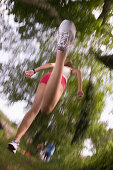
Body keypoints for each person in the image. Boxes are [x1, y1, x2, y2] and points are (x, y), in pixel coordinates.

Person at [8, 19, 84, 154]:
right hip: (58, 81)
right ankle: (61, 54)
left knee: (34, 109)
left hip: (46, 77)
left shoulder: (57, 66)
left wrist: (34, 70)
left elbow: (49, 65)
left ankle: (16, 141)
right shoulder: (70, 71)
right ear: (69, 65)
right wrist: (79, 88)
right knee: (46, 109)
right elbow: (79, 72)